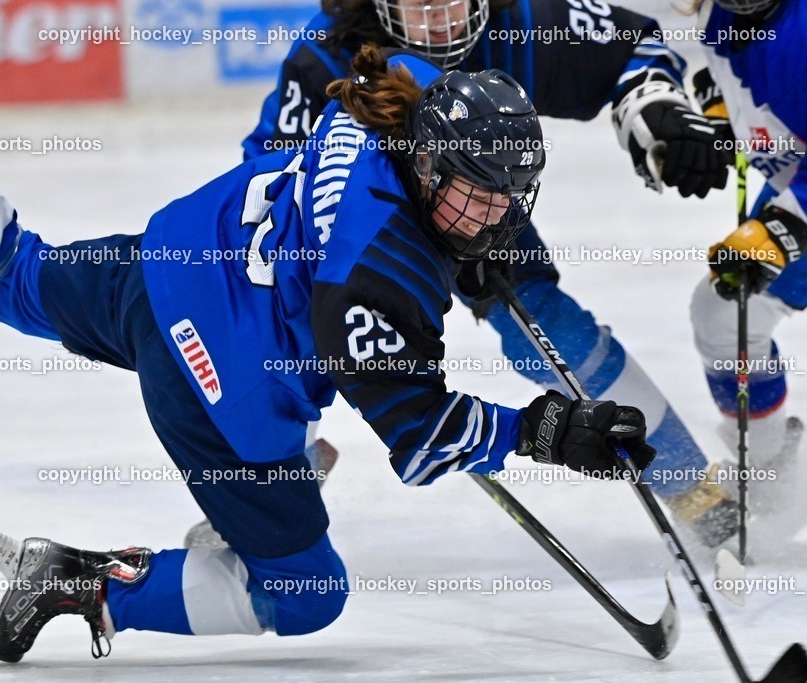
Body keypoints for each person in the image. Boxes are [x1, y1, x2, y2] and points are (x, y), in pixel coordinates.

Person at [0, 50, 656, 662]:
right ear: (429, 169)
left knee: (17, 273)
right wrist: (550, 431)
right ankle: (59, 578)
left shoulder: (410, 96)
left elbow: (337, 62)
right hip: (212, 381)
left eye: (506, 199)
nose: (492, 214)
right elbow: (423, 439)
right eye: (472, 195)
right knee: (309, 592)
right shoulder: (377, 275)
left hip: (171, 261)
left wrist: (475, 233)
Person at [241, 0, 741, 547]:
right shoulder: (325, 50)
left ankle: (691, 487)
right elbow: (265, 179)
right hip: (367, 219)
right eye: (419, 7)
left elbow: (636, 45)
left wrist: (652, 101)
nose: (441, 23)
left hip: (480, 204)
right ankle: (278, 465)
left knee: (546, 329)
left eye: (455, 3)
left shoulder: (522, 19)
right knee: (290, 314)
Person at [688, 0, 806, 518]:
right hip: (795, 190)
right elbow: (706, 60)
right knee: (725, 316)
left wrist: (783, 231)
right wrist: (723, 107)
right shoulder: (723, 14)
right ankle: (769, 467)